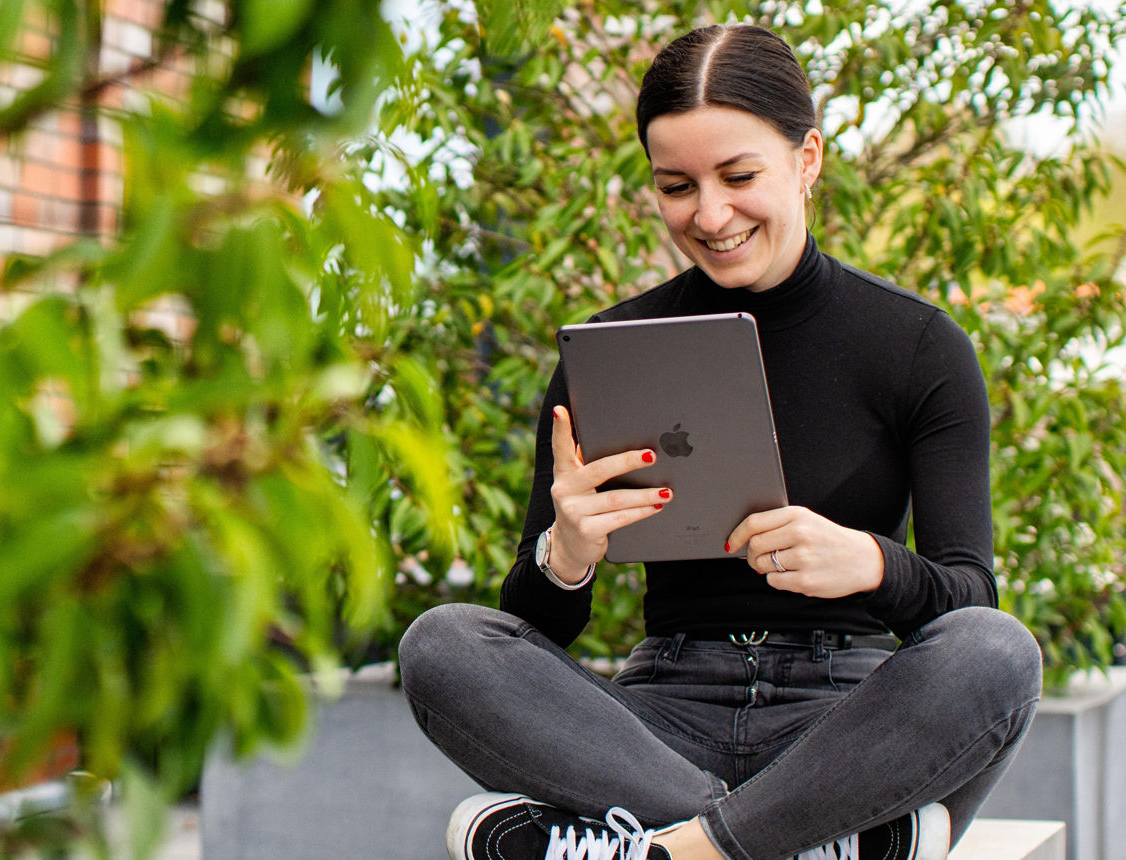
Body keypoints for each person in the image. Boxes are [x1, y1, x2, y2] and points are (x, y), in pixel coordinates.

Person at [399, 22, 1043, 860]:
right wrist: (566, 556)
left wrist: (873, 565)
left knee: (997, 653)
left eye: (739, 177)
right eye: (677, 187)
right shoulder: (611, 350)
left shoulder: (919, 346)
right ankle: (818, 843)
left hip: (845, 726)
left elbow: (970, 597)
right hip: (656, 724)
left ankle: (661, 849)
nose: (709, 215)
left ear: (807, 159)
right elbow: (532, 630)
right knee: (442, 643)